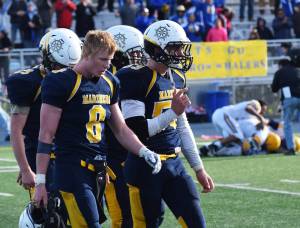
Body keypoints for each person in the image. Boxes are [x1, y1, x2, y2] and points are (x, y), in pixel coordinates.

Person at [33, 30, 162, 227]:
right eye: (103, 59)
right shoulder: (61, 81)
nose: (107, 64)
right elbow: (46, 134)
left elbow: (120, 129)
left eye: (110, 59)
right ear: (87, 54)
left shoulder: (110, 82)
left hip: (99, 172)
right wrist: (40, 181)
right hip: (72, 168)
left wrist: (143, 150)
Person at [116, 20, 214, 227]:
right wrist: (173, 112)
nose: (180, 53)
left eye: (181, 47)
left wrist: (198, 168)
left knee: (197, 222)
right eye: (174, 47)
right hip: (144, 165)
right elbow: (136, 131)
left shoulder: (176, 77)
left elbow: (182, 126)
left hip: (174, 164)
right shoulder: (134, 77)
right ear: (156, 48)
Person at [6, 28, 82, 192]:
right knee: (49, 212)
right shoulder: (27, 82)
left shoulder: (79, 78)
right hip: (40, 153)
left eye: (69, 67)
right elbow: (16, 130)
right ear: (47, 58)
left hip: (71, 153)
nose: (64, 72)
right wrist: (26, 168)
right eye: (59, 67)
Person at [105, 24, 146, 228]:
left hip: (130, 155)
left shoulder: (133, 79)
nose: (140, 57)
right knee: (123, 218)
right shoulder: (105, 80)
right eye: (136, 53)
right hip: (112, 158)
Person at [271, 49, 300, 155]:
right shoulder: (298, 70)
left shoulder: (280, 72)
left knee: (287, 124)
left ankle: (291, 149)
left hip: (289, 99)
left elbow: (274, 88)